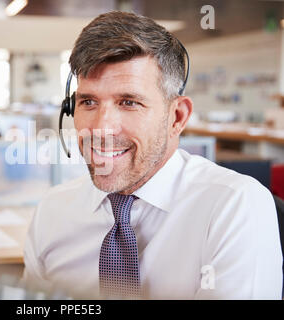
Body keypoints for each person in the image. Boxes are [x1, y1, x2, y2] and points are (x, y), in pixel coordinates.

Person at [22, 11, 282, 299]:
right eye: (88, 101)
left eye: (129, 102)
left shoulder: (234, 206)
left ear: (177, 117)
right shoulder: (52, 211)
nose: (101, 128)